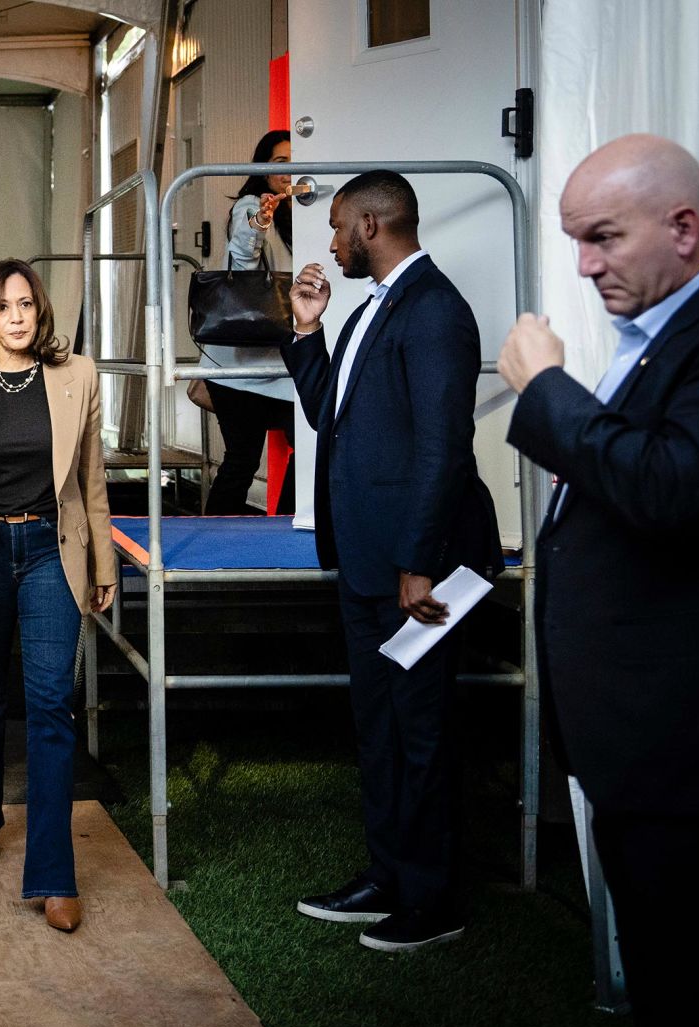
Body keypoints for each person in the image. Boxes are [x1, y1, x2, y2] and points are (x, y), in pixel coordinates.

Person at [498, 134, 699, 1027]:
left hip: (687, 748)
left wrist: (547, 389)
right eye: (575, 242)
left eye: (603, 239)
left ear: (683, 227)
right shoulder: (662, 334)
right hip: (646, 739)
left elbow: (673, 486)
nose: (585, 266)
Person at [284, 170, 501, 952]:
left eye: (338, 225)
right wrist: (308, 330)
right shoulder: (370, 309)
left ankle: (435, 899)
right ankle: (389, 876)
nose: (331, 241)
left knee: (422, 731)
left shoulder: (435, 309)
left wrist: (418, 564)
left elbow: (444, 449)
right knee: (379, 727)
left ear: (371, 225)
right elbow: (328, 416)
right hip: (368, 562)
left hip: (421, 571)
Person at [0, 259, 117, 933]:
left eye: (27, 303)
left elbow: (91, 477)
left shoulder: (78, 375)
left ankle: (55, 874)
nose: (16, 314)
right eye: (4, 305)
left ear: (40, 312)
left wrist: (104, 557)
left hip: (50, 553)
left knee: (49, 704)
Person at [189, 130, 297, 514]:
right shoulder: (253, 204)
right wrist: (260, 221)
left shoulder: (302, 213)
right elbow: (243, 249)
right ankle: (211, 543)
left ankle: (285, 524)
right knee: (242, 460)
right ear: (263, 169)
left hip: (279, 362)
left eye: (295, 162)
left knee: (313, 441)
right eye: (280, 163)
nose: (288, 171)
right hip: (237, 364)